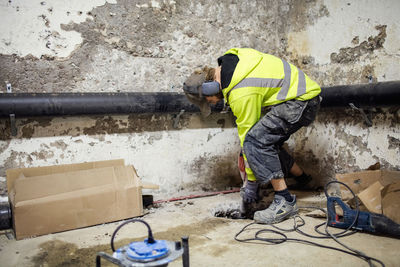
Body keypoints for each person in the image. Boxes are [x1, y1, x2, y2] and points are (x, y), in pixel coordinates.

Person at [183, 48, 321, 224]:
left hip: (300, 102)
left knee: (256, 141)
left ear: (211, 88)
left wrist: (251, 183)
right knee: (267, 142)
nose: (214, 104)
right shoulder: (233, 60)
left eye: (209, 101)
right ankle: (303, 180)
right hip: (302, 97)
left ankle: (284, 200)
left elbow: (248, 138)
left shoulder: (240, 90)